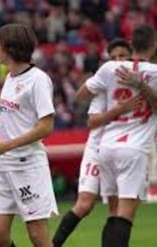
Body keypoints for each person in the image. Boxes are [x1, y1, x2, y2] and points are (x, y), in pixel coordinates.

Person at [0, 23, 57, 247]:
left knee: (38, 236)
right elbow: (13, 118)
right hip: (5, 166)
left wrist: (5, 145)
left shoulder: (38, 79)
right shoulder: (10, 77)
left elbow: (46, 126)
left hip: (28, 166)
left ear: (10, 47)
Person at [77, 24, 157, 247]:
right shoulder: (156, 73)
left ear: (131, 46)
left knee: (113, 215)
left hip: (106, 148)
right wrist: (141, 86)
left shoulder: (110, 68)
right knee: (124, 216)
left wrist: (107, 89)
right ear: (154, 46)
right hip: (133, 150)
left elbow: (81, 94)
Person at [52, 38, 135, 247]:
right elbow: (92, 121)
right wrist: (119, 110)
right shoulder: (104, 88)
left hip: (123, 150)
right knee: (84, 205)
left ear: (132, 58)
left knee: (116, 212)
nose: (118, 62)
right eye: (114, 57)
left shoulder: (139, 87)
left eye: (122, 57)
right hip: (98, 149)